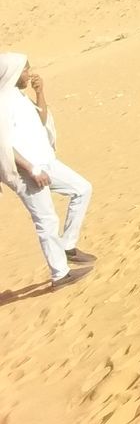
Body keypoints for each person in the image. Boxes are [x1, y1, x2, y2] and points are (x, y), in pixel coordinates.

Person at [1, 53, 94, 288]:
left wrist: (40, 92)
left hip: (46, 162)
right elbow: (4, 145)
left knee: (82, 189)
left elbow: (42, 119)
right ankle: (60, 274)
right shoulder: (3, 103)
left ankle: (68, 246)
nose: (29, 73)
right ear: (12, 72)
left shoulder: (18, 96)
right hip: (27, 172)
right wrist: (31, 169)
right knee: (46, 221)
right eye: (25, 69)